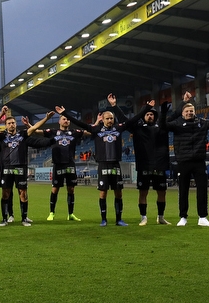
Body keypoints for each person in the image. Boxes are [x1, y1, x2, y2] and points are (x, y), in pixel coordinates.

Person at [59, 94, 133, 227]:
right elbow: (80, 124)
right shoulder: (96, 130)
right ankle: (103, 219)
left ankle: (119, 219)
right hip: (103, 164)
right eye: (107, 118)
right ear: (102, 119)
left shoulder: (118, 128)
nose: (110, 120)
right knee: (103, 193)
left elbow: (128, 121)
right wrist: (65, 113)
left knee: (119, 193)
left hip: (115, 164)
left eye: (111, 118)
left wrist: (114, 106)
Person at [0, 107, 50, 226]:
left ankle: (24, 218)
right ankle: (5, 218)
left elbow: (34, 127)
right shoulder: (2, 136)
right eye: (9, 123)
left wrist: (46, 118)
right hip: (7, 168)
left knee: (23, 193)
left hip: (20, 168)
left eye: (13, 122)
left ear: (16, 124)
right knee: (5, 194)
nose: (11, 125)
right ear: (5, 125)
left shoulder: (23, 134)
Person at [119, 100, 173, 225]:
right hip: (144, 165)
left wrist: (167, 111)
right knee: (143, 192)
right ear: (143, 116)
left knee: (162, 192)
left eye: (152, 114)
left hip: (159, 165)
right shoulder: (137, 128)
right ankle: (143, 217)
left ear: (155, 116)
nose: (150, 116)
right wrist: (115, 106)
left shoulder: (162, 127)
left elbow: (172, 117)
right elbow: (124, 119)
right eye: (147, 114)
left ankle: (160, 217)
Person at [30, 112, 88, 222]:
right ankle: (52, 213)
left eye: (68, 119)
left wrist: (97, 122)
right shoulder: (52, 132)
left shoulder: (74, 132)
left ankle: (70, 214)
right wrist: (30, 124)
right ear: (59, 121)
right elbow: (36, 131)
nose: (66, 121)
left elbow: (89, 132)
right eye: (64, 119)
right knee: (55, 189)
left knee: (71, 189)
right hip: (58, 164)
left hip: (70, 163)